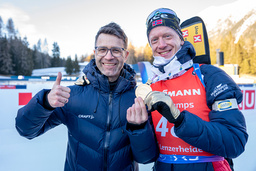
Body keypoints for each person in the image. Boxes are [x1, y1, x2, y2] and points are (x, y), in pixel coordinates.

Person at [15, 22, 158, 171]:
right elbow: (25, 130)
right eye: (102, 49)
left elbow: (146, 158)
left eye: (116, 50)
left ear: (125, 55)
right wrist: (44, 102)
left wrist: (139, 128)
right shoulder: (72, 96)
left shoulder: (137, 100)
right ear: (95, 53)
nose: (109, 56)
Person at [126, 8, 248, 171]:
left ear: (181, 39)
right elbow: (146, 157)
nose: (161, 44)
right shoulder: (151, 85)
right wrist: (138, 128)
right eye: (154, 40)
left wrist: (179, 119)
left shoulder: (209, 76)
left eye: (167, 36)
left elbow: (234, 142)